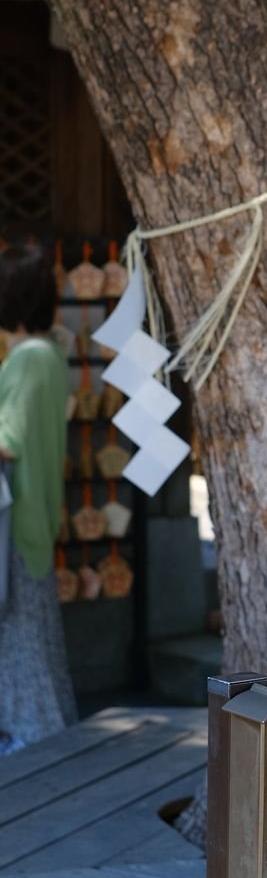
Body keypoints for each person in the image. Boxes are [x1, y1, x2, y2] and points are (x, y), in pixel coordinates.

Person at [0, 242, 77, 753]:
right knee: (38, 643)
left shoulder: (26, 361)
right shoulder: (53, 356)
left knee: (22, 642)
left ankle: (34, 744)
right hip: (38, 517)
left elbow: (8, 443)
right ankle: (49, 742)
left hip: (17, 523)